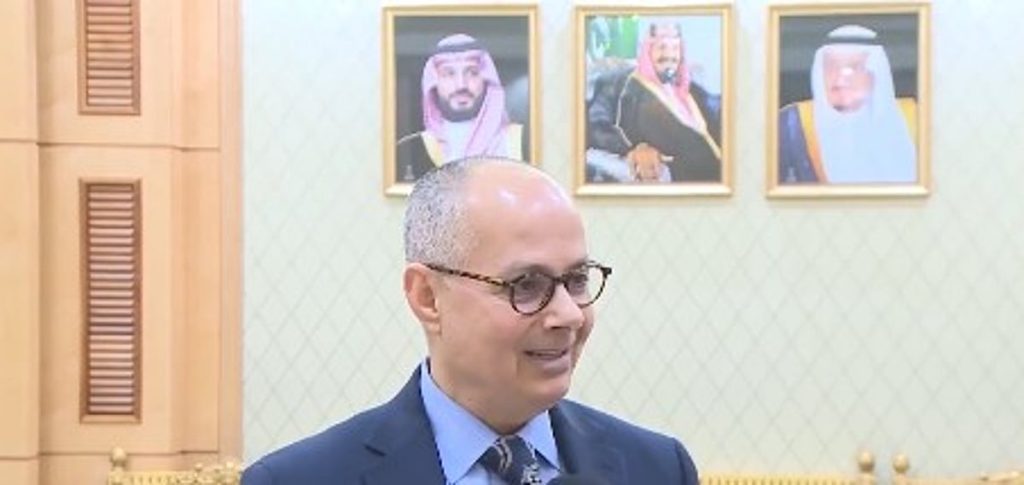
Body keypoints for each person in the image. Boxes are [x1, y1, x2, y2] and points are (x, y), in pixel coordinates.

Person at [242, 157, 699, 484]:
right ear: (427, 297)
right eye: (527, 284)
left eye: (577, 279)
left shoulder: (658, 469)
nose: (568, 314)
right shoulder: (298, 478)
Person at [778, 25, 917, 184]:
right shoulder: (790, 123)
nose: (840, 78)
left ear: (876, 74)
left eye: (854, 67)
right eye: (831, 67)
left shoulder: (916, 120)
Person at [586, 21, 722, 183]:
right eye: (662, 47)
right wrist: (633, 149)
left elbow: (717, 110)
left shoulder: (691, 90)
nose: (669, 55)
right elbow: (595, 125)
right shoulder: (624, 86)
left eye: (675, 48)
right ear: (648, 49)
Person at [396, 34, 528, 182]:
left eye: (472, 73)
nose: (461, 85)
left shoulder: (519, 140)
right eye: (448, 74)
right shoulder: (411, 147)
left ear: (487, 80)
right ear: (433, 83)